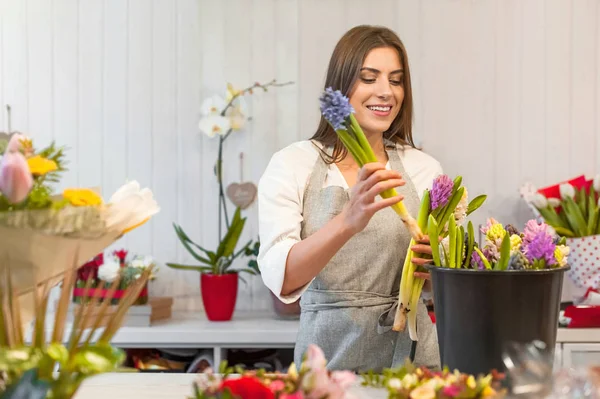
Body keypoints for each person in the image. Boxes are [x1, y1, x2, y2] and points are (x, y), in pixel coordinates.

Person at [257, 25, 442, 372]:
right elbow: (283, 278)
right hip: (325, 364)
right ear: (340, 86)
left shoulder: (422, 168)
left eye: (397, 80)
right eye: (369, 78)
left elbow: (448, 281)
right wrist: (347, 221)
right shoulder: (293, 164)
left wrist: (437, 266)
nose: (386, 92)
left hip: (414, 363)